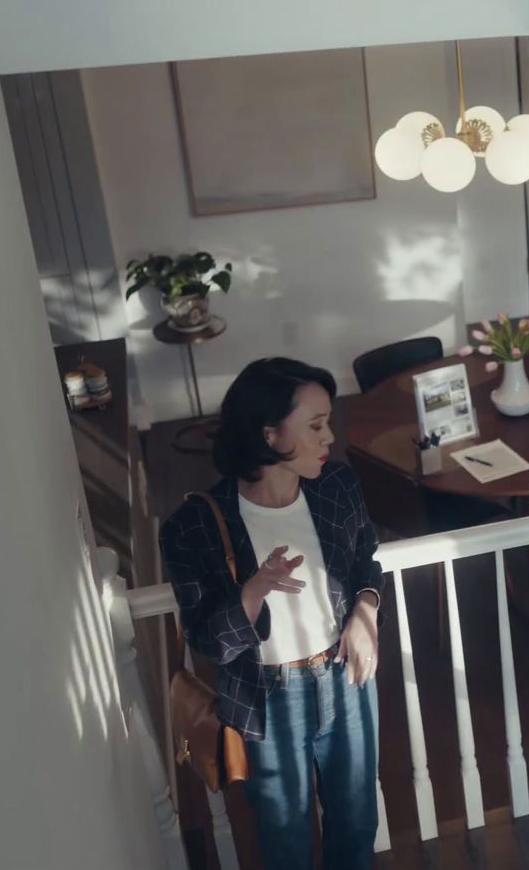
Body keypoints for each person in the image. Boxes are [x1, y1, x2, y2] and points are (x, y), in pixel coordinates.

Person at [161, 357, 384, 870]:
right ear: (268, 435)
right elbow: (207, 641)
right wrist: (253, 591)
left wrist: (365, 612)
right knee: (284, 840)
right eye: (315, 425)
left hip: (345, 677)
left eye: (327, 421)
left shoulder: (336, 486)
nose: (329, 436)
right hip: (267, 700)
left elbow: (366, 561)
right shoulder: (194, 525)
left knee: (356, 824)